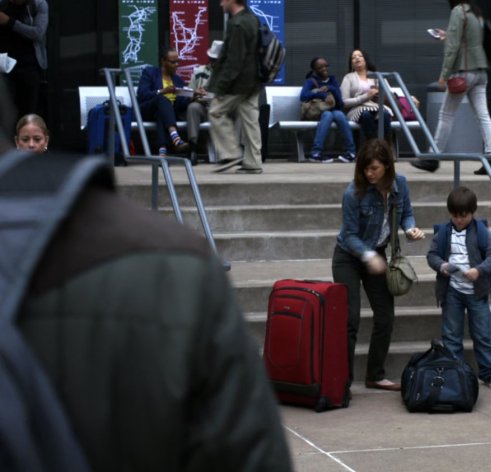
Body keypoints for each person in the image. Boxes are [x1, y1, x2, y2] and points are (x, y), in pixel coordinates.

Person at [0, 79, 293, 470]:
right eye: (26, 138)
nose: (32, 144)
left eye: (37, 138)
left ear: (47, 140)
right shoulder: (174, 265)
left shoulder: (173, 268)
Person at [332, 138, 425, 391]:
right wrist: (369, 256)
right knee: (350, 319)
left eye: (374, 168)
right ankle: (342, 381)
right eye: (365, 168)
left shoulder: (400, 184)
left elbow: (405, 212)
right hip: (348, 257)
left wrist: (410, 229)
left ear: (387, 166)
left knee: (385, 317)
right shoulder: (353, 193)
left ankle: (375, 374)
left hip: (378, 252)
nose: (369, 174)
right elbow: (349, 235)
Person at [426, 186, 491, 389]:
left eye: (464, 216)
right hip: (452, 291)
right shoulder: (443, 233)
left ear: (472, 212)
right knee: (451, 335)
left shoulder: (482, 232)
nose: (459, 220)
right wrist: (441, 265)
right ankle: (455, 372)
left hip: (477, 292)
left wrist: (479, 270)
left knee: (482, 334)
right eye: (455, 216)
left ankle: (489, 372)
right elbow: (432, 255)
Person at [412, 0, 491, 176]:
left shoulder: (459, 12)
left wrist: (444, 75)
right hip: (481, 71)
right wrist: (448, 36)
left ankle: (432, 157)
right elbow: (470, 42)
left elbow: (453, 48)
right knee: (483, 115)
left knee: (446, 114)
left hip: (464, 72)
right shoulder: (476, 13)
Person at [208, 0, 262, 175]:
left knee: (215, 111)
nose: (220, 3)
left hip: (239, 83)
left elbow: (234, 61)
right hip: (253, 81)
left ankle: (230, 154)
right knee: (250, 121)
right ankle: (253, 161)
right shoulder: (252, 19)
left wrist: (221, 87)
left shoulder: (238, 24)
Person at [300, 56, 356, 164]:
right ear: (314, 70)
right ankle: (316, 153)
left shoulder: (332, 80)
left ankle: (351, 152)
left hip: (333, 111)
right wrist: (323, 95)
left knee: (339, 114)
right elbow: (303, 96)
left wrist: (331, 89)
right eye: (320, 67)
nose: (324, 68)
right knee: (328, 115)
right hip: (316, 113)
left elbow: (340, 104)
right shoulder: (311, 81)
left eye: (326, 66)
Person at [137, 47, 191, 156]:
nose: (176, 64)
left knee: (161, 114)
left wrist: (192, 98)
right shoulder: (150, 73)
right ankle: (175, 137)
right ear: (163, 61)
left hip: (166, 114)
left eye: (177, 62)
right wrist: (162, 91)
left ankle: (162, 150)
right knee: (162, 99)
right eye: (173, 62)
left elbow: (180, 105)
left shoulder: (177, 80)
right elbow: (142, 95)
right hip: (148, 110)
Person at [0, 0, 47, 122]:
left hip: (28, 66)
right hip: (3, 66)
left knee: (27, 112)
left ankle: (24, 139)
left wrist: (10, 22)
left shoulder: (37, 5)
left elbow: (37, 33)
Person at [341, 49, 392, 141]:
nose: (357, 58)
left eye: (360, 56)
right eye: (353, 57)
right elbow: (344, 102)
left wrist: (379, 94)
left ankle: (384, 145)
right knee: (366, 115)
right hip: (357, 109)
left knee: (385, 114)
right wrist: (366, 97)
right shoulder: (348, 77)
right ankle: (372, 145)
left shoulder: (377, 76)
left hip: (377, 106)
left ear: (366, 60)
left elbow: (390, 95)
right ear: (351, 63)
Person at [185, 39, 222, 164]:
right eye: (213, 59)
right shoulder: (199, 71)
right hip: (203, 107)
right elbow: (188, 93)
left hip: (222, 109)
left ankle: (239, 150)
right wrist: (195, 94)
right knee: (192, 107)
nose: (214, 62)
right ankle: (192, 148)